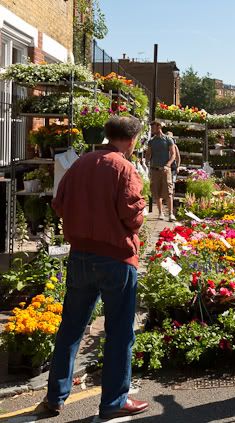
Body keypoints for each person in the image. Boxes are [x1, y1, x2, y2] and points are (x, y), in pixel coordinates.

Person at [45, 116, 149, 419]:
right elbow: (132, 217)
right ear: (131, 140)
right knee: (119, 332)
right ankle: (114, 402)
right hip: (116, 257)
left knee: (71, 328)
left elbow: (59, 203)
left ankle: (55, 396)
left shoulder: (80, 163)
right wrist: (140, 212)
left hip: (80, 256)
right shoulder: (124, 168)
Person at [146, 120, 176, 221]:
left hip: (165, 169)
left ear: (159, 127)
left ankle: (171, 213)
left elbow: (173, 154)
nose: (152, 130)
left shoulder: (168, 140)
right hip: (155, 169)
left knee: (168, 191)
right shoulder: (151, 141)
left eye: (153, 127)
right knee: (157, 191)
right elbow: (148, 154)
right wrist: (146, 161)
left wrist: (168, 165)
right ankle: (160, 213)